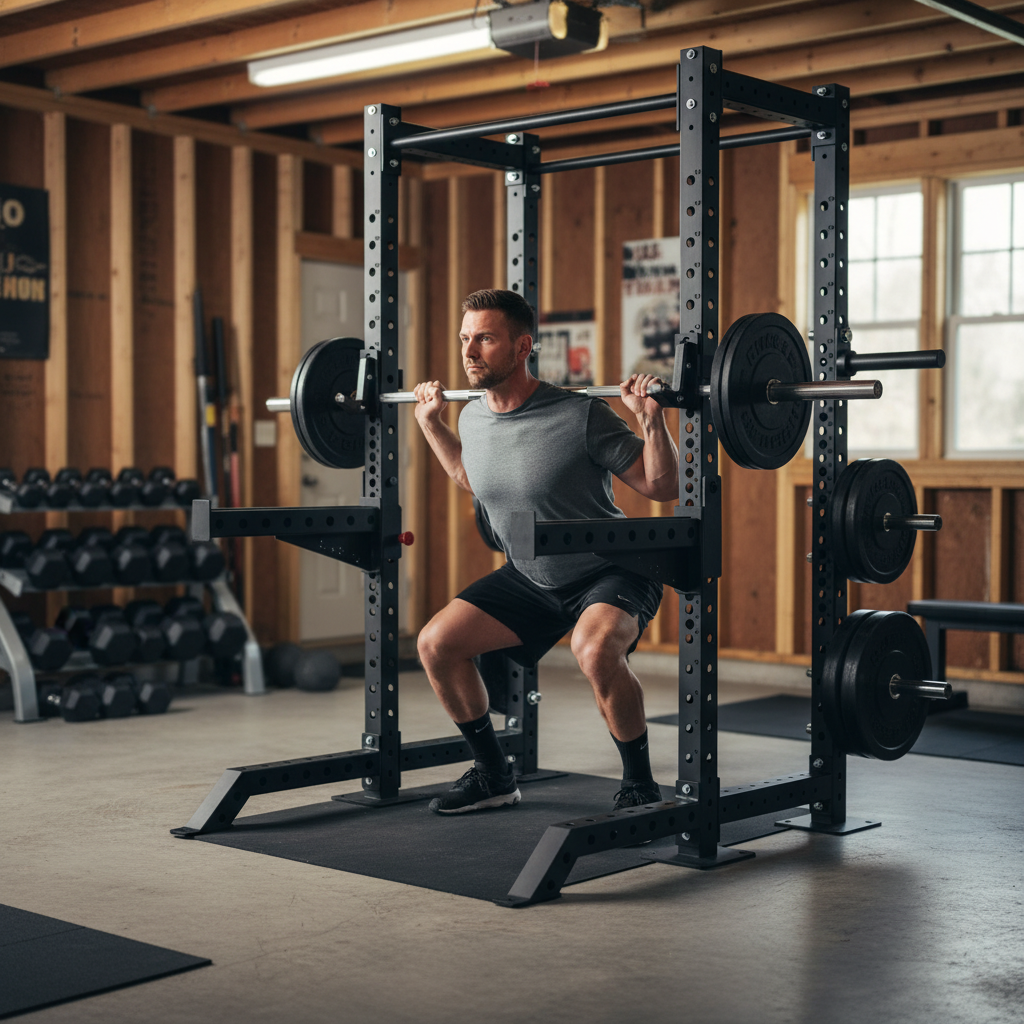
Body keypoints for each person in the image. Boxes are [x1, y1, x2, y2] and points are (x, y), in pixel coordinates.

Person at [412, 289, 679, 815]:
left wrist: (651, 422)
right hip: (532, 575)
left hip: (612, 569)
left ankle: (640, 782)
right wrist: (431, 425)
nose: (469, 352)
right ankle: (493, 775)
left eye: (484, 339)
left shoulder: (580, 414)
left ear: (521, 346)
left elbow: (659, 486)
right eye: (465, 338)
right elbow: (474, 477)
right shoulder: (471, 418)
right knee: (436, 644)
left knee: (595, 650)